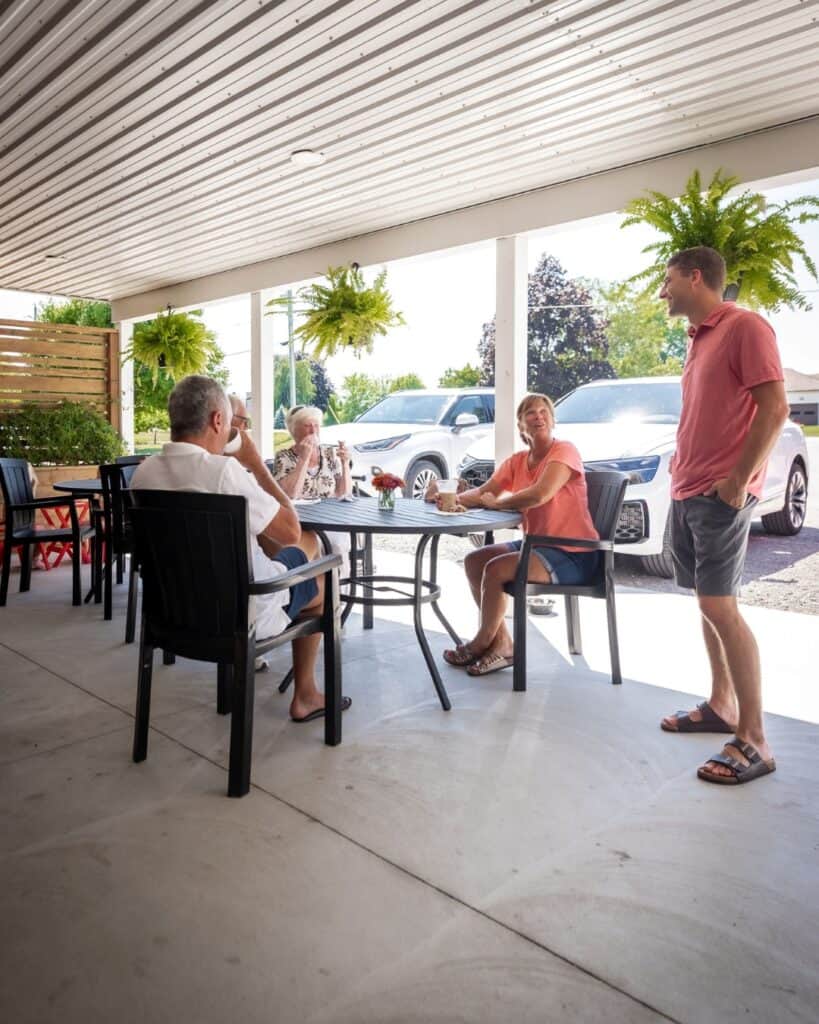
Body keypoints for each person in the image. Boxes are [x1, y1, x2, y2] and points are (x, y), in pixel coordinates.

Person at [131, 375, 351, 724]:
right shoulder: (224, 472)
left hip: (172, 613)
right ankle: (306, 695)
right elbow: (290, 531)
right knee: (324, 583)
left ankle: (302, 688)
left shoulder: (144, 474)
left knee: (300, 549)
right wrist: (256, 464)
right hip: (243, 612)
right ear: (218, 420)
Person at [658, 246, 789, 785]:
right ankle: (721, 704)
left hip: (719, 495)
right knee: (705, 601)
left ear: (695, 277)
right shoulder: (698, 338)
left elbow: (775, 408)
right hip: (687, 489)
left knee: (720, 605)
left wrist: (737, 481)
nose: (662, 292)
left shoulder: (744, 327)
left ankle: (754, 738)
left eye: (668, 280)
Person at [431, 392, 600, 676]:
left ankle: (481, 642)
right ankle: (502, 643)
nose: (539, 416)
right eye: (530, 412)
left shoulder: (564, 451)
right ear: (521, 425)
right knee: (475, 561)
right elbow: (485, 492)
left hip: (574, 552)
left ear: (552, 420)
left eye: (544, 411)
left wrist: (499, 504)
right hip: (537, 545)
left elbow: (540, 494)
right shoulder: (518, 461)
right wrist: (450, 498)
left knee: (496, 569)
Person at [271, 405, 352, 500]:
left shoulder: (329, 453)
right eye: (307, 426)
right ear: (294, 431)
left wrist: (345, 464)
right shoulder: (283, 457)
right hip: (298, 509)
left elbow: (344, 494)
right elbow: (289, 495)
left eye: (316, 425)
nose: (313, 431)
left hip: (329, 508)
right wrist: (303, 458)